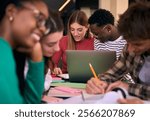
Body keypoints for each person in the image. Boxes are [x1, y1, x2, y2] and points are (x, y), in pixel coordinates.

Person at [86, 2, 150, 101]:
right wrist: (99, 83)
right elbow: (112, 73)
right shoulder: (129, 49)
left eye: (137, 44)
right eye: (128, 42)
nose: (130, 49)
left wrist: (128, 87)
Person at [0, 0, 49, 103]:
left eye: (45, 23)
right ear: (11, 11)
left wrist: (37, 58)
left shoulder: (8, 55)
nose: (43, 29)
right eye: (39, 18)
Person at [52, 10, 94, 74]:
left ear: (87, 27)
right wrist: (54, 68)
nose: (75, 34)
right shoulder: (63, 40)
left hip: (88, 78)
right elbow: (52, 63)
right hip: (66, 78)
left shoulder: (94, 41)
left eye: (79, 30)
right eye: (72, 29)